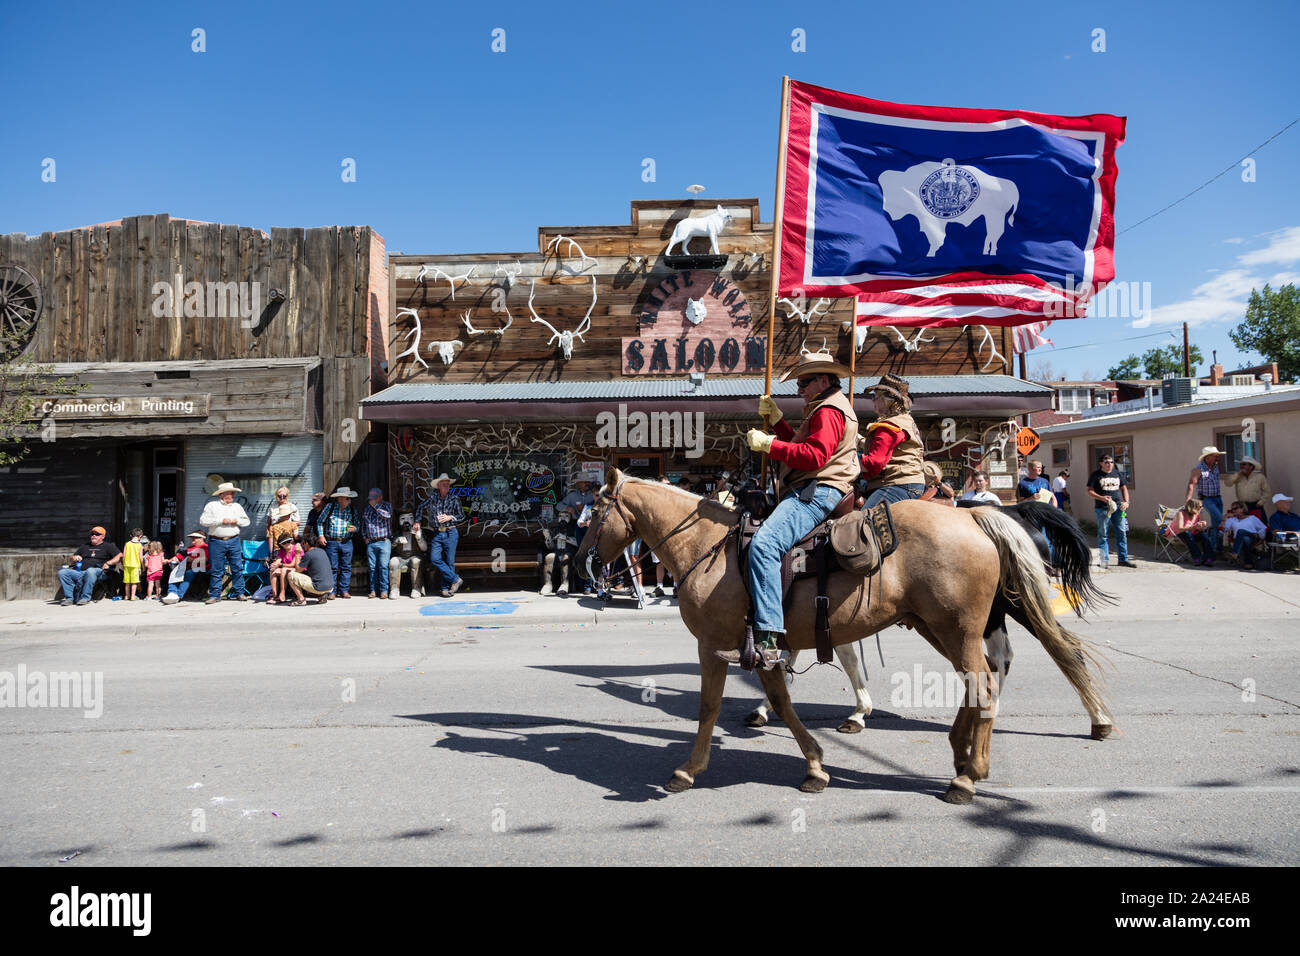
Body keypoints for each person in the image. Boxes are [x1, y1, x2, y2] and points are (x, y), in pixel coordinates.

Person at [719, 352, 859, 669]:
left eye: (804, 383)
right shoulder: (829, 407)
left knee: (764, 546)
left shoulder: (828, 411)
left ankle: (767, 641)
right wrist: (779, 422)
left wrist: (769, 445)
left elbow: (813, 457)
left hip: (816, 492)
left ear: (824, 380)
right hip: (816, 488)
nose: (799, 390)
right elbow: (801, 446)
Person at [856, 374, 924, 510]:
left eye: (875, 397)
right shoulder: (905, 420)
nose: (873, 401)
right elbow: (889, 449)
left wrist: (847, 461)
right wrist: (859, 441)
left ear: (888, 400)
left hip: (897, 483)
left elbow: (874, 463)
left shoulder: (889, 426)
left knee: (862, 520)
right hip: (910, 482)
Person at [413, 474, 466, 597]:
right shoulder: (433, 498)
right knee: (435, 559)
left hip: (450, 532)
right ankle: (456, 579)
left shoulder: (454, 498)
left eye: (448, 484)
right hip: (437, 532)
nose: (446, 486)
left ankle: (445, 588)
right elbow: (420, 507)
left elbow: (462, 516)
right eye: (443, 484)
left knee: (449, 562)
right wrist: (417, 520)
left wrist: (450, 517)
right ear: (438, 486)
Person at [199, 482, 251, 604]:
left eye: (233, 493)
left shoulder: (237, 507)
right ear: (222, 494)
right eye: (229, 492)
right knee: (216, 569)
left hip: (233, 539)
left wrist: (236, 520)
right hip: (217, 540)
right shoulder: (212, 505)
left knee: (237, 567)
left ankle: (240, 592)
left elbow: (247, 521)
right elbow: (203, 521)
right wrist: (220, 521)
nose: (232, 495)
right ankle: (215, 595)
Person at [1086, 454, 1135, 569]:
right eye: (1107, 462)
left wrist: (1126, 502)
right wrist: (1102, 498)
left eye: (1111, 462)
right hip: (1103, 507)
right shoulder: (1096, 475)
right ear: (1101, 463)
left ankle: (1123, 559)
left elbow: (1124, 488)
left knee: (1122, 533)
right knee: (1103, 534)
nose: (1109, 464)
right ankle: (1104, 560)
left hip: (1118, 507)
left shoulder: (1117, 474)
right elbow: (1089, 491)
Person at [57, 526, 123, 606]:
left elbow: (120, 556)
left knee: (90, 571)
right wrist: (75, 558)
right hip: (81, 571)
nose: (93, 536)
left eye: (97, 534)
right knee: (62, 573)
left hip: (100, 572)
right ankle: (70, 598)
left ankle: (85, 597)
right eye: (92, 534)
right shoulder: (85, 546)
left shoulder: (108, 546)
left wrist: (108, 563)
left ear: (103, 536)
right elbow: (72, 557)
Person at [315, 487, 360, 599]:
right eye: (341, 498)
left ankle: (344, 590)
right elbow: (320, 521)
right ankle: (332, 591)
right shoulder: (330, 507)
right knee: (332, 567)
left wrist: (355, 529)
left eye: (345, 498)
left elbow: (358, 526)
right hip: (332, 541)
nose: (342, 500)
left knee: (346, 567)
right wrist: (321, 535)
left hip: (347, 541)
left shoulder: (352, 510)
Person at [1186, 447, 1226, 558]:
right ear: (1207, 457)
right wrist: (1188, 500)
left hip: (1218, 498)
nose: (1217, 458)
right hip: (1206, 499)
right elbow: (1191, 484)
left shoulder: (1216, 467)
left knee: (1217, 525)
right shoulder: (1198, 469)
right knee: (1220, 519)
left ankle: (1216, 549)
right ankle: (1213, 548)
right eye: (1215, 456)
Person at [362, 487, 394, 599]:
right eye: (370, 499)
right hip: (371, 542)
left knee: (383, 567)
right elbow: (364, 524)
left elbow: (387, 516)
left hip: (384, 541)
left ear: (380, 497)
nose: (371, 500)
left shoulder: (387, 506)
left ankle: (384, 591)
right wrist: (364, 537)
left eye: (374, 498)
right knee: (372, 567)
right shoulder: (367, 509)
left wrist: (375, 506)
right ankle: (373, 591)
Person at [286, 535, 336, 605]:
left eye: (302, 543)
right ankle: (322, 596)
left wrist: (297, 553)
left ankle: (301, 599)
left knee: (291, 574)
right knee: (309, 577)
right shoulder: (322, 551)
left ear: (306, 543)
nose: (301, 545)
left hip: (318, 587)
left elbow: (298, 570)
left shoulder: (309, 554)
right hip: (330, 587)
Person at [162, 531, 210, 604]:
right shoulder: (189, 548)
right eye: (192, 537)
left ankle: (179, 595)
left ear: (201, 539)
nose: (192, 539)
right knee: (174, 572)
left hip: (201, 568)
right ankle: (172, 593)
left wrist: (190, 559)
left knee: (188, 574)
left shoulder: (205, 547)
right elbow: (179, 556)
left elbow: (205, 559)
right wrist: (169, 560)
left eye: (195, 538)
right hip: (186, 567)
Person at [1165, 498, 1214, 566]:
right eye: (1200, 506)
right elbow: (1180, 529)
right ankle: (1197, 558)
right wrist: (1194, 527)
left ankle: (1208, 559)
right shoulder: (1181, 513)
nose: (1202, 508)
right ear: (1193, 507)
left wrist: (1202, 526)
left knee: (1204, 535)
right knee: (1187, 534)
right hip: (1177, 535)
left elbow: (1200, 530)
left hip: (1192, 535)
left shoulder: (1199, 513)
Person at [1222, 456, 1271, 521]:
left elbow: (1267, 492)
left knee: (1260, 525)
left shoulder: (1260, 477)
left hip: (1256, 505)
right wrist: (1237, 474)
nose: (1242, 466)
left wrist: (1260, 503)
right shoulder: (1238, 476)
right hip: (1242, 506)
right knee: (1243, 525)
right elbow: (1228, 483)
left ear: (1251, 466)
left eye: (1244, 464)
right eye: (1241, 464)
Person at [1223, 502, 1267, 571]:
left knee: (1241, 531)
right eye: (1232, 509)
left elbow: (1263, 528)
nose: (1233, 511)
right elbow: (1224, 530)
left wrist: (1260, 536)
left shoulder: (1252, 518)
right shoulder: (1231, 520)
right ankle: (1248, 563)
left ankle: (1235, 553)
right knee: (1245, 539)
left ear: (1242, 509)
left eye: (1235, 508)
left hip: (1252, 536)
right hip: (1240, 539)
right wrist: (1225, 517)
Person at [267, 535, 304, 604]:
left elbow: (293, 564)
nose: (287, 544)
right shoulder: (281, 551)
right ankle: (275, 595)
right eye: (284, 543)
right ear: (281, 545)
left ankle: (282, 593)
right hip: (287, 569)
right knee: (273, 570)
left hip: (297, 569)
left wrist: (280, 564)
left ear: (291, 541)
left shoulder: (296, 549)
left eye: (289, 541)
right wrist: (273, 565)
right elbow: (278, 561)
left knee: (283, 569)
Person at [122, 528, 144, 601]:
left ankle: (126, 596)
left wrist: (123, 563)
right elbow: (140, 557)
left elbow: (124, 555)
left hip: (127, 565)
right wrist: (143, 566)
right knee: (134, 582)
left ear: (131, 535)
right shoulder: (140, 545)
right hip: (135, 565)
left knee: (127, 582)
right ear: (140, 536)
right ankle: (132, 596)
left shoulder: (127, 544)